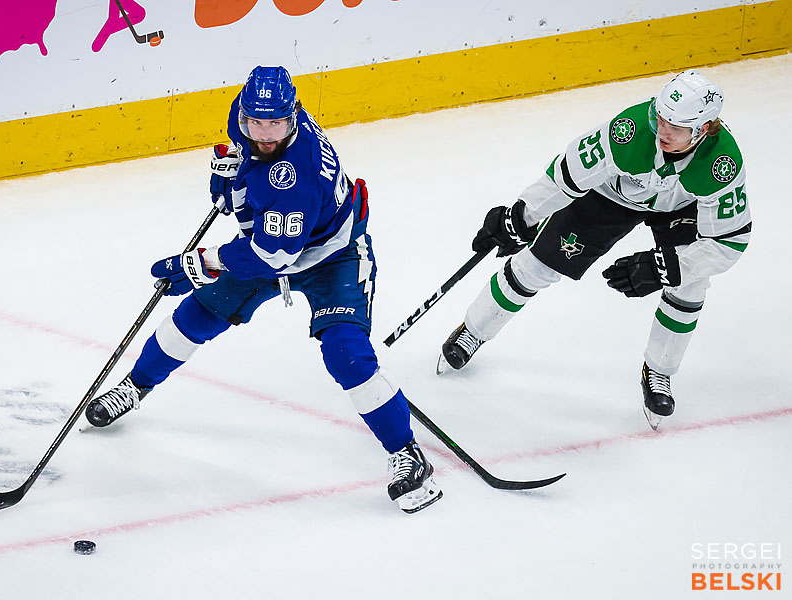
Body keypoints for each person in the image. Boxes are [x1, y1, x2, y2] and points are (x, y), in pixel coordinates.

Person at [85, 66, 442, 513]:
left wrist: (196, 263)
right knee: (197, 316)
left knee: (346, 354)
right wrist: (230, 175)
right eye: (256, 123)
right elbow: (244, 160)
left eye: (274, 124)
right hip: (271, 243)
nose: (264, 133)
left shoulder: (299, 172)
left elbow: (272, 257)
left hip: (333, 255)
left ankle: (407, 454)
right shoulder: (247, 115)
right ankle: (134, 387)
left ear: (292, 117)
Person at [437, 70, 750, 430]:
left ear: (705, 130)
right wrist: (521, 217)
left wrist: (664, 267)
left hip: (681, 207)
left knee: (689, 283)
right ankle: (474, 329)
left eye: (676, 128)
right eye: (661, 118)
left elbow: (729, 242)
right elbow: (567, 174)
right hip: (613, 196)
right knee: (537, 265)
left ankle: (659, 371)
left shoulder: (721, 165)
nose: (662, 131)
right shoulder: (631, 131)